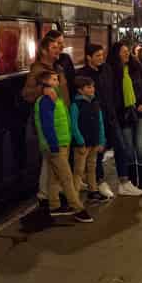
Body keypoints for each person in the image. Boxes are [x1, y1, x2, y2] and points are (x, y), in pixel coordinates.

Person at [33, 70, 94, 223]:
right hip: (56, 145)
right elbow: (47, 125)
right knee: (66, 177)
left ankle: (54, 206)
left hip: (61, 142)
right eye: (54, 80)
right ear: (46, 83)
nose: (57, 82)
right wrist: (53, 145)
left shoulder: (54, 98)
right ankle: (78, 208)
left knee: (54, 177)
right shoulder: (47, 101)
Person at [23, 34, 72, 214]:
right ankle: (47, 197)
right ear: (44, 50)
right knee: (51, 159)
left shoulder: (58, 67)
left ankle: (51, 196)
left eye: (60, 46)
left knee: (51, 160)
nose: (59, 49)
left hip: (61, 118)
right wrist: (43, 89)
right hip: (49, 121)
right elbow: (27, 94)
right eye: (55, 46)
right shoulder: (38, 70)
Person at [107, 41, 142, 194]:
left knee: (140, 146)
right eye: (123, 51)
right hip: (124, 114)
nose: (126, 54)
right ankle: (132, 182)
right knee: (128, 148)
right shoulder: (112, 71)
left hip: (141, 112)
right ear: (116, 54)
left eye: (128, 51)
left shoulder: (137, 66)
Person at [77, 44, 117, 199]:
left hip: (107, 117)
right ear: (89, 57)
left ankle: (97, 185)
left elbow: (111, 92)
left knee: (105, 152)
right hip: (92, 123)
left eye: (102, 55)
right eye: (98, 55)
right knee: (91, 160)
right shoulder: (83, 75)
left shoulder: (106, 70)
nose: (101, 58)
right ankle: (96, 185)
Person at [70, 76, 111, 203]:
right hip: (82, 144)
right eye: (88, 87)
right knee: (79, 170)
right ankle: (74, 197)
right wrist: (80, 141)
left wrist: (101, 140)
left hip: (94, 142)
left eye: (92, 86)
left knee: (92, 167)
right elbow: (73, 124)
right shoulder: (76, 105)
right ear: (80, 90)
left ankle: (93, 191)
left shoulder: (95, 103)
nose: (92, 89)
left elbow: (100, 122)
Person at [45, 29, 77, 103]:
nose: (63, 46)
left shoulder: (66, 58)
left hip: (67, 100)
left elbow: (72, 80)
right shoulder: (44, 63)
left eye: (63, 42)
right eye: (59, 43)